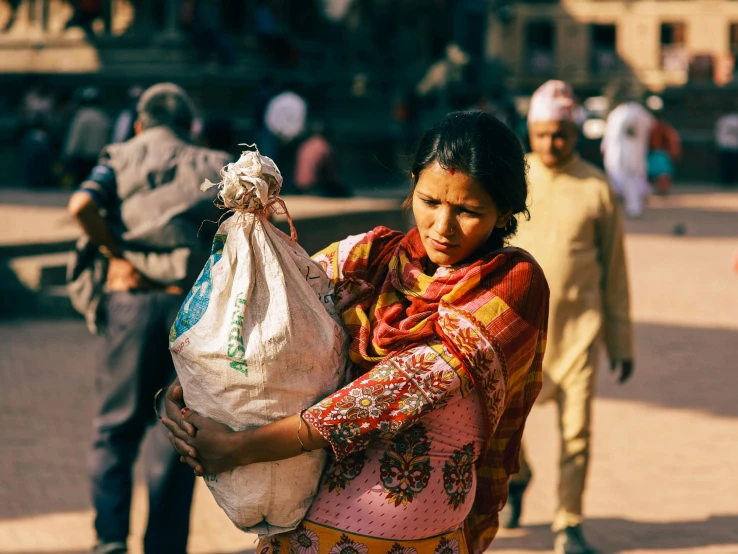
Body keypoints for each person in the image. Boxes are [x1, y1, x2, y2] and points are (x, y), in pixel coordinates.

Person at [162, 110, 550, 554]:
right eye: (430, 202)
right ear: (412, 185)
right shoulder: (364, 258)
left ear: (504, 213)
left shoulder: (512, 285)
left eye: (468, 211)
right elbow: (270, 329)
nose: (443, 226)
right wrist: (190, 393)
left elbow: (397, 391)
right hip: (301, 537)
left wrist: (241, 448)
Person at [66, 83, 232, 554]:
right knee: (177, 429)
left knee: (114, 428)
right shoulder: (214, 163)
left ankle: (111, 540)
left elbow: (81, 204)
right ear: (189, 126)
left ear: (140, 123)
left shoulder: (119, 156)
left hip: (131, 302)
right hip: (190, 314)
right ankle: (164, 545)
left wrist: (115, 251)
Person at [507, 81, 634, 554]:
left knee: (576, 431)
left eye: (560, 133)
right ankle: (518, 478)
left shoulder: (596, 187)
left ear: (575, 132)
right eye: (541, 134)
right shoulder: (513, 180)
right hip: (518, 331)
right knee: (502, 426)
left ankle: (568, 524)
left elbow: (615, 270)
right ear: (531, 132)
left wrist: (621, 342)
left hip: (579, 329)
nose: (551, 143)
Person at [601, 100, 654, 218]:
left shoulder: (621, 113)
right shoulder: (625, 113)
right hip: (624, 154)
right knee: (621, 181)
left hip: (627, 154)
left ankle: (632, 208)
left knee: (630, 180)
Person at [63, 87, 111, 186]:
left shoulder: (81, 116)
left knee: (81, 184)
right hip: (98, 156)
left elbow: (75, 138)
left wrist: (68, 154)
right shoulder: (103, 116)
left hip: (83, 157)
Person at [294, 121, 348, 197]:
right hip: (316, 188)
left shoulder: (305, 145)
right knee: (344, 192)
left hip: (300, 188)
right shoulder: (325, 147)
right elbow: (331, 175)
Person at [647, 100, 682, 195]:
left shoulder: (664, 128)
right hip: (654, 153)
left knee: (663, 173)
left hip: (661, 153)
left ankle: (662, 189)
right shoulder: (653, 127)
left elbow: (672, 140)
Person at [715, 112, 738, 186]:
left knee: (728, 166)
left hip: (727, 146)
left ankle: (728, 181)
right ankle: (728, 181)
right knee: (728, 166)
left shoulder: (724, 120)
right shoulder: (724, 120)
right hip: (728, 146)